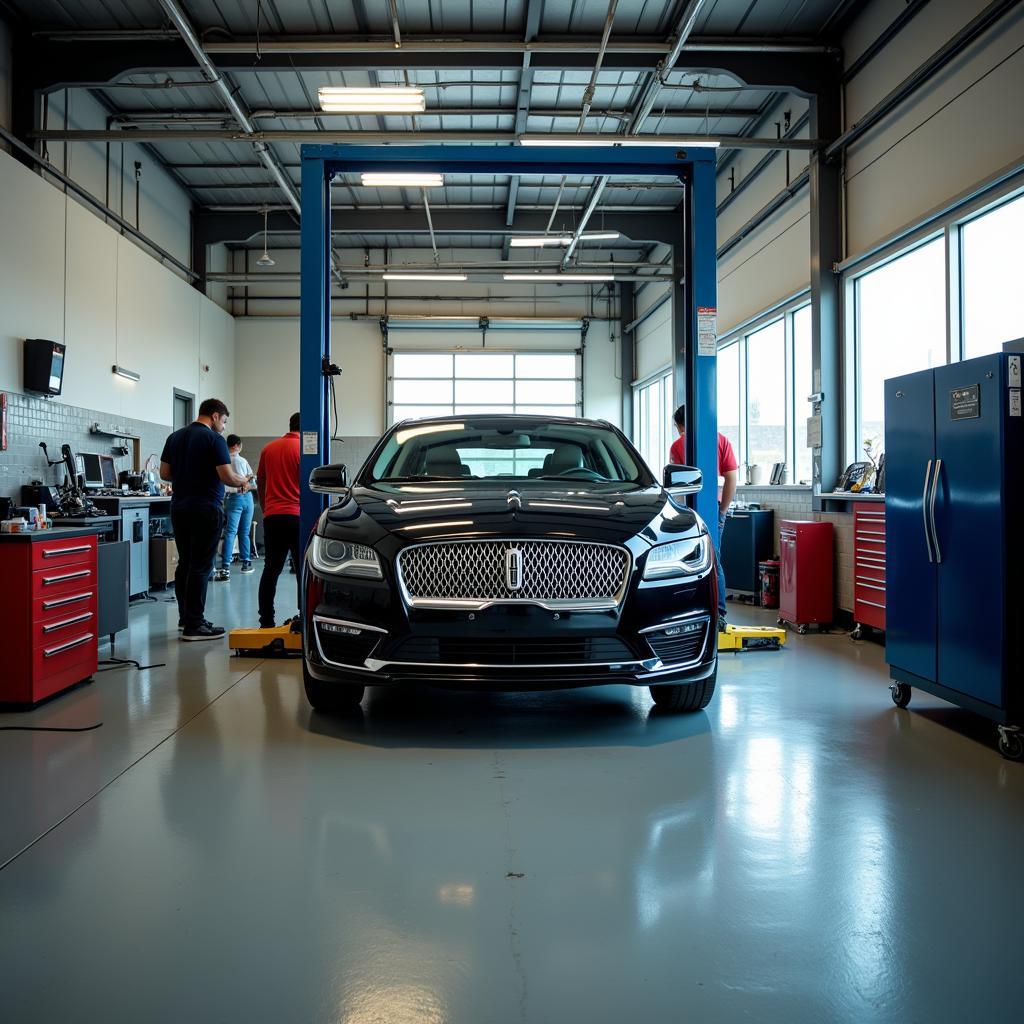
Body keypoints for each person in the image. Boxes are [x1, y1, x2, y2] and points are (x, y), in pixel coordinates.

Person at [160, 398, 249, 641]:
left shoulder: (175, 437)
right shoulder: (214, 440)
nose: (224, 427)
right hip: (205, 508)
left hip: (179, 507)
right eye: (224, 421)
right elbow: (227, 477)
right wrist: (244, 481)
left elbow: (165, 474)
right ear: (215, 416)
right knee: (201, 565)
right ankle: (195, 625)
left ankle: (185, 617)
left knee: (186, 563)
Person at [669, 404, 739, 628]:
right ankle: (719, 614)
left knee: (688, 560)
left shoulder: (678, 445)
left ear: (680, 425)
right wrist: (723, 511)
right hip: (716, 508)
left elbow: (675, 485)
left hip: (690, 511)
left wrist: (680, 513)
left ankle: (692, 613)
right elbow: (732, 478)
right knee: (715, 560)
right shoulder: (722, 440)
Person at [257, 412, 301, 629]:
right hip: (298, 517)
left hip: (273, 516)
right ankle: (304, 616)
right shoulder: (306, 449)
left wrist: (267, 509)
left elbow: (260, 482)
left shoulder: (269, 448)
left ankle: (266, 620)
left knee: (271, 569)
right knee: (303, 570)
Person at [214, 434, 255, 581]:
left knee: (230, 532)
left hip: (232, 498)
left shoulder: (223, 461)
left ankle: (225, 566)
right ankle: (246, 563)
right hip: (247, 498)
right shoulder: (242, 460)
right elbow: (252, 479)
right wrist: (247, 484)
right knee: (244, 532)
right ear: (237, 445)